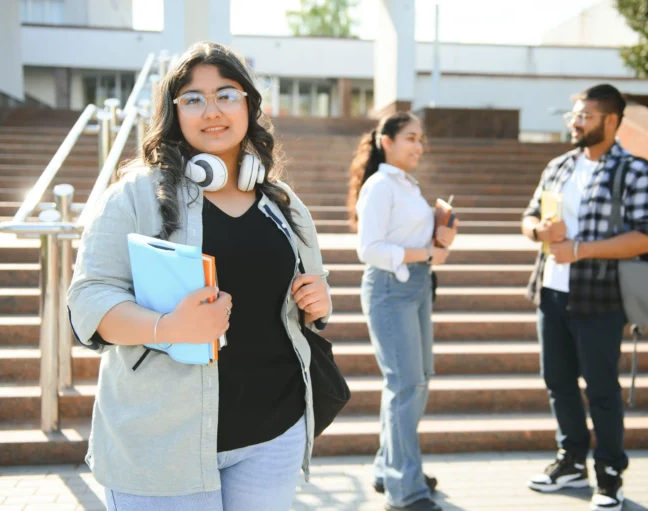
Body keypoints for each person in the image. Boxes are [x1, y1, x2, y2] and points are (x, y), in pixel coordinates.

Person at [67, 41, 332, 511]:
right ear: (175, 113)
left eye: (226, 94)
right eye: (192, 98)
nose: (211, 110)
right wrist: (168, 328)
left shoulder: (283, 204)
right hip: (161, 445)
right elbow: (89, 299)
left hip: (272, 436)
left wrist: (319, 299)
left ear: (249, 105)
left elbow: (310, 293)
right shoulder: (133, 195)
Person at [522, 84, 648, 511]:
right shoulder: (559, 166)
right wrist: (538, 232)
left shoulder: (635, 171)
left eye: (584, 116)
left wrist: (581, 249)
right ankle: (570, 462)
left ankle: (608, 475)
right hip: (551, 291)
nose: (574, 122)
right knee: (557, 382)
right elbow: (528, 216)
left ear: (611, 121)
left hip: (600, 298)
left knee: (601, 389)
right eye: (574, 116)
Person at [347, 112, 458, 511]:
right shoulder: (379, 186)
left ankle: (390, 466)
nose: (419, 146)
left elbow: (406, 237)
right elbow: (369, 249)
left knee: (415, 380)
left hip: (417, 284)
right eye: (411, 138)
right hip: (390, 288)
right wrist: (427, 251)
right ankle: (405, 488)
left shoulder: (406, 185)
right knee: (405, 385)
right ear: (386, 141)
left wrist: (439, 236)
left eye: (422, 139)